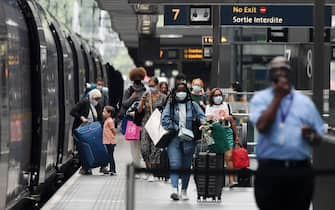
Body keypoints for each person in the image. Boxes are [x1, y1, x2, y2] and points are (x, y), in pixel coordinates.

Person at [249, 56, 325, 210]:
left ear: (290, 74)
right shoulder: (261, 99)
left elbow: (318, 137)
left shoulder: (304, 103)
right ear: (270, 74)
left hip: (299, 171)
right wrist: (278, 97)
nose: (280, 74)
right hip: (270, 170)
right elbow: (262, 126)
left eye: (284, 70)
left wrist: (310, 135)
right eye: (276, 70)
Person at [161, 82, 206, 201]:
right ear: (175, 92)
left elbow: (202, 117)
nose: (181, 93)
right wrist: (177, 128)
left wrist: (203, 124)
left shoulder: (193, 105)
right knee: (175, 164)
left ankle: (184, 191)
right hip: (174, 139)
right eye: (179, 91)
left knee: (186, 166)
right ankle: (174, 190)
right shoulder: (170, 105)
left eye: (183, 91)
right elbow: (164, 120)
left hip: (189, 140)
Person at [205, 88, 240, 188]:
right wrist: (222, 118)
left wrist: (236, 135)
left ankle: (232, 180)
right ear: (212, 97)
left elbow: (232, 121)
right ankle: (216, 180)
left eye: (219, 94)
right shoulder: (209, 107)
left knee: (228, 155)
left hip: (227, 131)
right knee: (216, 156)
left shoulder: (226, 105)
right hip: (215, 133)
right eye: (215, 95)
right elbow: (209, 122)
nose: (218, 97)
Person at [137, 77, 167, 182]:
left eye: (153, 86)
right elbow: (139, 110)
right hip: (146, 124)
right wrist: (142, 101)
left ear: (158, 86)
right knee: (144, 149)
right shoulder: (146, 96)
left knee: (155, 149)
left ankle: (152, 172)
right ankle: (147, 168)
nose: (151, 88)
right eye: (149, 86)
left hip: (157, 125)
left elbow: (167, 111)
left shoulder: (163, 97)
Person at [70, 89, 103, 175]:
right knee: (82, 149)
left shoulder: (97, 105)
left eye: (98, 99)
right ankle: (86, 168)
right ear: (91, 97)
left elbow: (99, 117)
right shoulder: (84, 102)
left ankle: (87, 167)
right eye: (96, 99)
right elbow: (72, 111)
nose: (97, 101)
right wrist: (81, 117)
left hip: (91, 131)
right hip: (81, 131)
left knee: (90, 149)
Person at [121, 67, 147, 167]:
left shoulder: (145, 90)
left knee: (142, 144)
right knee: (133, 144)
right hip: (132, 121)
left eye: (139, 77)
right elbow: (124, 103)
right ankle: (136, 164)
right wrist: (132, 97)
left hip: (143, 121)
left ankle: (141, 163)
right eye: (135, 77)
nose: (137, 79)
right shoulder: (129, 90)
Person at [102, 106, 117, 175]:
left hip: (110, 141)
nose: (103, 113)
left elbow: (113, 130)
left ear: (109, 113)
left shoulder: (110, 121)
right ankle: (111, 169)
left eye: (104, 112)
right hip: (107, 141)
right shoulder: (107, 120)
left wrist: (112, 137)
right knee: (109, 155)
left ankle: (113, 170)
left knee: (110, 156)